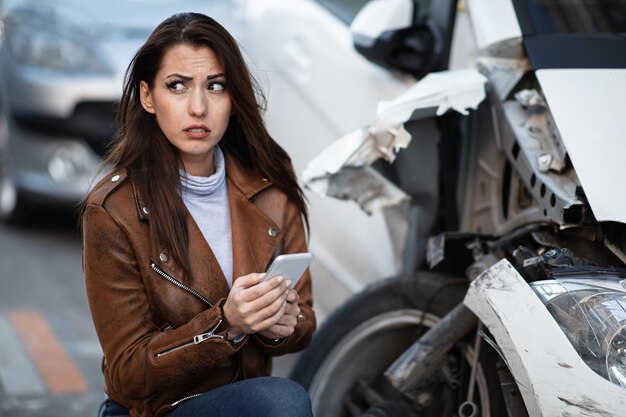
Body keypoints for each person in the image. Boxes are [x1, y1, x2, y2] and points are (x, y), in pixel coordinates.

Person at [81, 12, 316, 417]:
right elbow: (126, 374)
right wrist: (227, 323)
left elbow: (305, 323)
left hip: (243, 403)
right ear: (148, 96)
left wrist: (284, 325)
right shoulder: (113, 210)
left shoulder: (271, 190)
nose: (198, 107)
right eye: (177, 86)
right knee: (283, 402)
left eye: (215, 86)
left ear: (232, 97)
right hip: (155, 410)